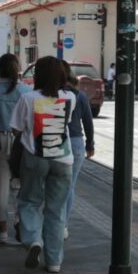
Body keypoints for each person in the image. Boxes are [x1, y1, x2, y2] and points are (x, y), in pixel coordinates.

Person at [11, 57, 76, 273]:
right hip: (63, 160)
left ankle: (33, 240)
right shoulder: (70, 98)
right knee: (56, 210)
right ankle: (54, 261)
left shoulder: (28, 98)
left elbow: (16, 129)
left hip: (35, 158)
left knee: (29, 202)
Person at [0, 53, 30, 244]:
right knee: (22, 185)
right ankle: (21, 222)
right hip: (21, 140)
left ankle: (2, 230)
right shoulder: (26, 91)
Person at [60, 60, 94, 241]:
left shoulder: (53, 94)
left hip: (58, 142)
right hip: (76, 142)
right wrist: (90, 145)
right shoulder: (80, 96)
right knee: (70, 186)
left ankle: (54, 222)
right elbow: (88, 122)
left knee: (54, 185)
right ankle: (63, 225)